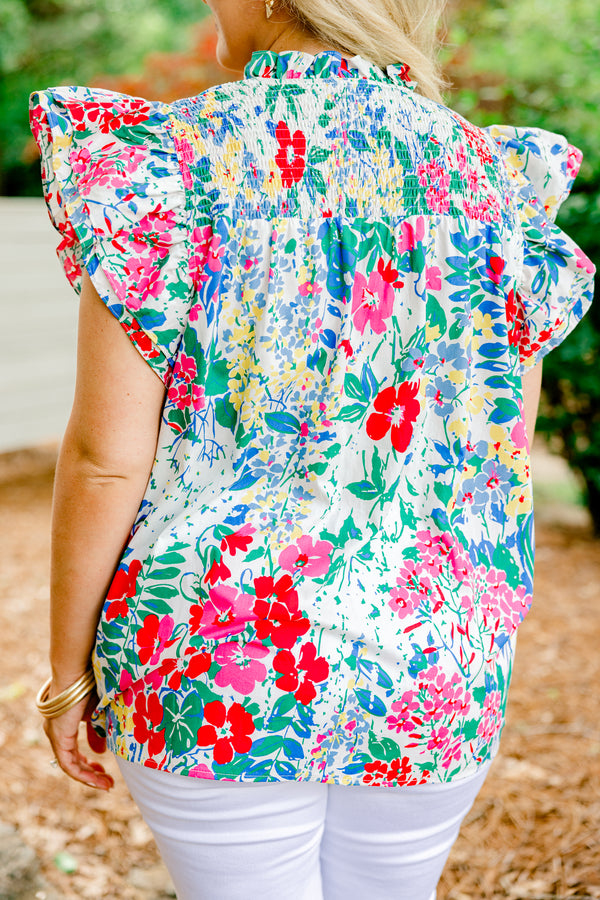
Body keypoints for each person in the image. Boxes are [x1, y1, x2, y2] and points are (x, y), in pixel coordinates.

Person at [30, 1, 594, 898]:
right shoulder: (493, 178)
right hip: (432, 657)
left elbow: (107, 456)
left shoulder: (162, 163)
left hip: (213, 652)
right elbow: (503, 457)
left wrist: (66, 676)